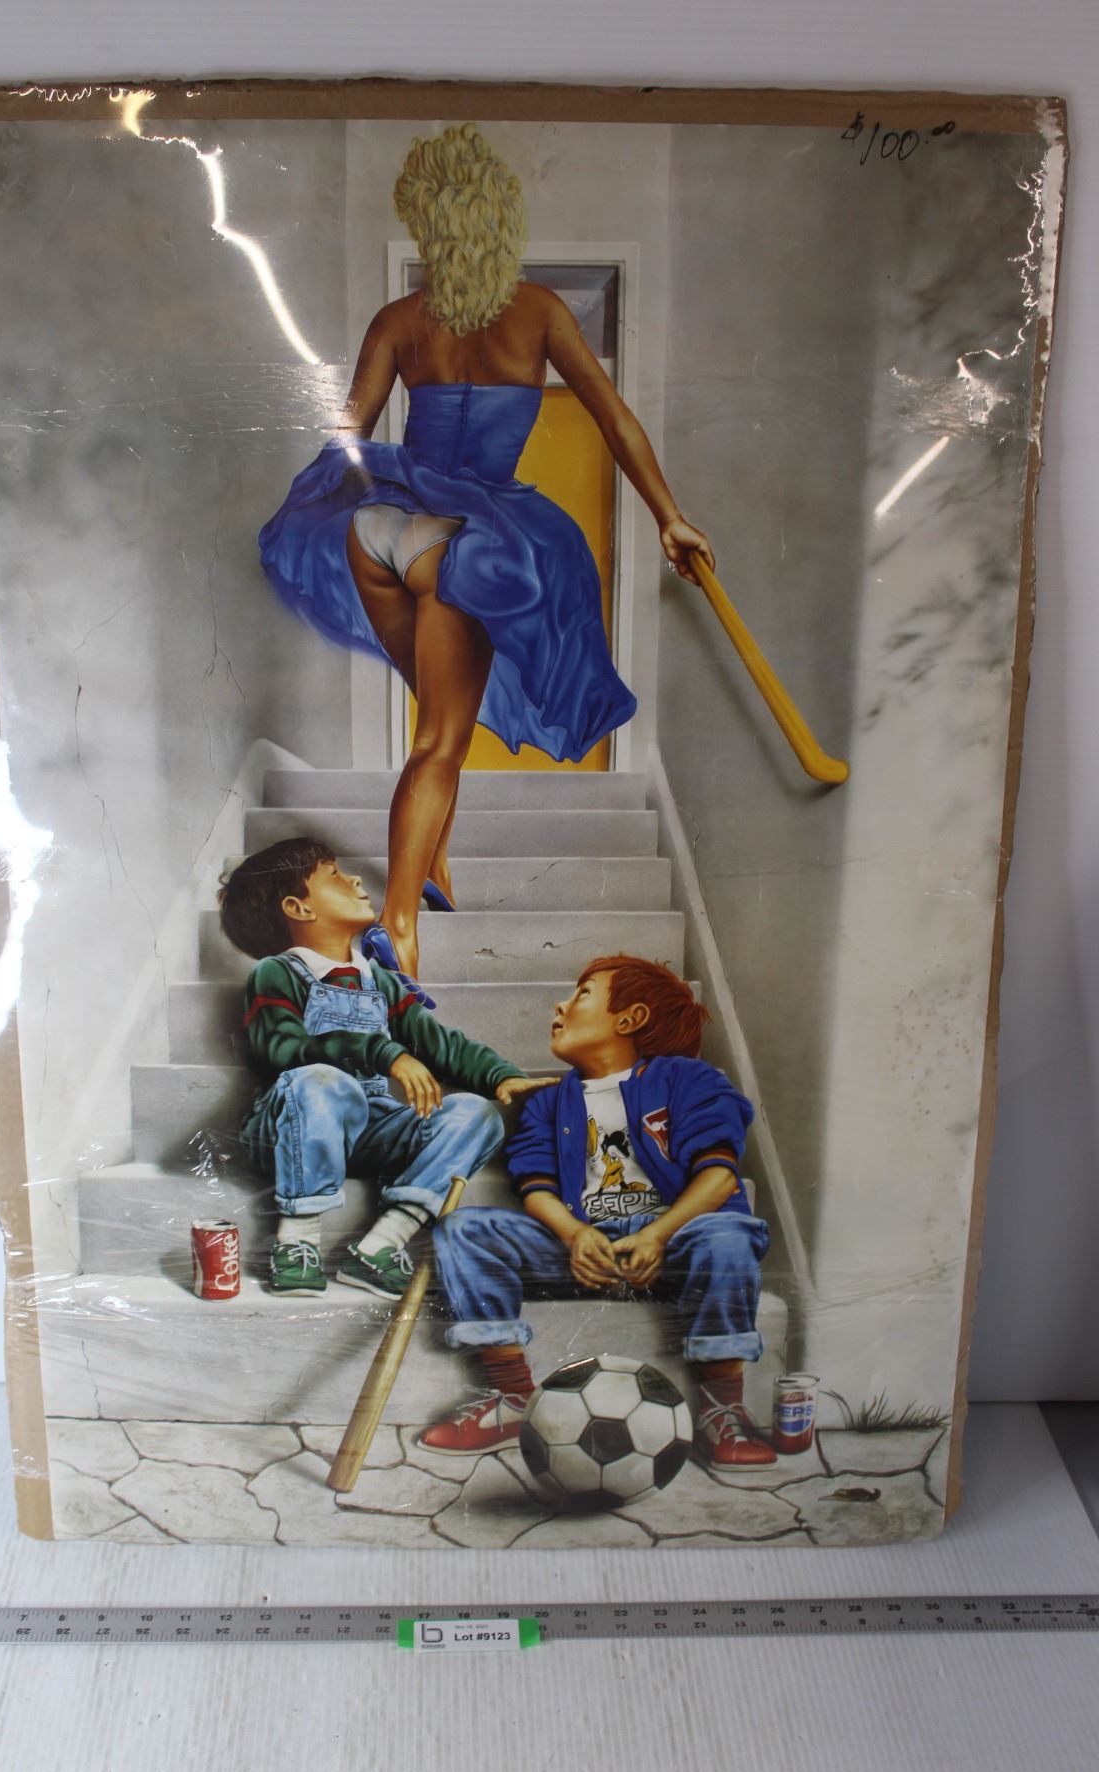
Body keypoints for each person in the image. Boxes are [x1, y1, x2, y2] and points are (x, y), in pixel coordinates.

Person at [259, 123, 715, 990]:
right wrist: (670, 518)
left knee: (442, 718)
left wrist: (313, 510)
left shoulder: (399, 322)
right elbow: (616, 422)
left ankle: (432, 868)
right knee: (441, 737)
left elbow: (346, 441)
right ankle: (399, 923)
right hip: (463, 545)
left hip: (382, 533)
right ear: (496, 219)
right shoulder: (538, 312)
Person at [418, 956, 778, 1469]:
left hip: (674, 1244)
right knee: (464, 1228)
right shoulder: (549, 1101)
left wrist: (658, 1234)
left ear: (629, 1019)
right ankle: (511, 1393)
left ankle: (721, 1407)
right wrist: (573, 1235)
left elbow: (719, 1177)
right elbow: (534, 1186)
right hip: (582, 1246)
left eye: (582, 994)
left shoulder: (687, 1080)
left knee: (728, 1236)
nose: (560, 1005)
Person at [217, 836, 552, 1295]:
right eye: (334, 875)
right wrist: (382, 1052)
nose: (355, 878)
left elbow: (440, 1044)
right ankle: (297, 1241)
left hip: (370, 1127)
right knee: (318, 1081)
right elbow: (279, 1050)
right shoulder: (277, 973)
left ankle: (381, 1245)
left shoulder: (381, 981)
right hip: (291, 1128)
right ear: (299, 908)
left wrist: (499, 1075)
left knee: (476, 1114)